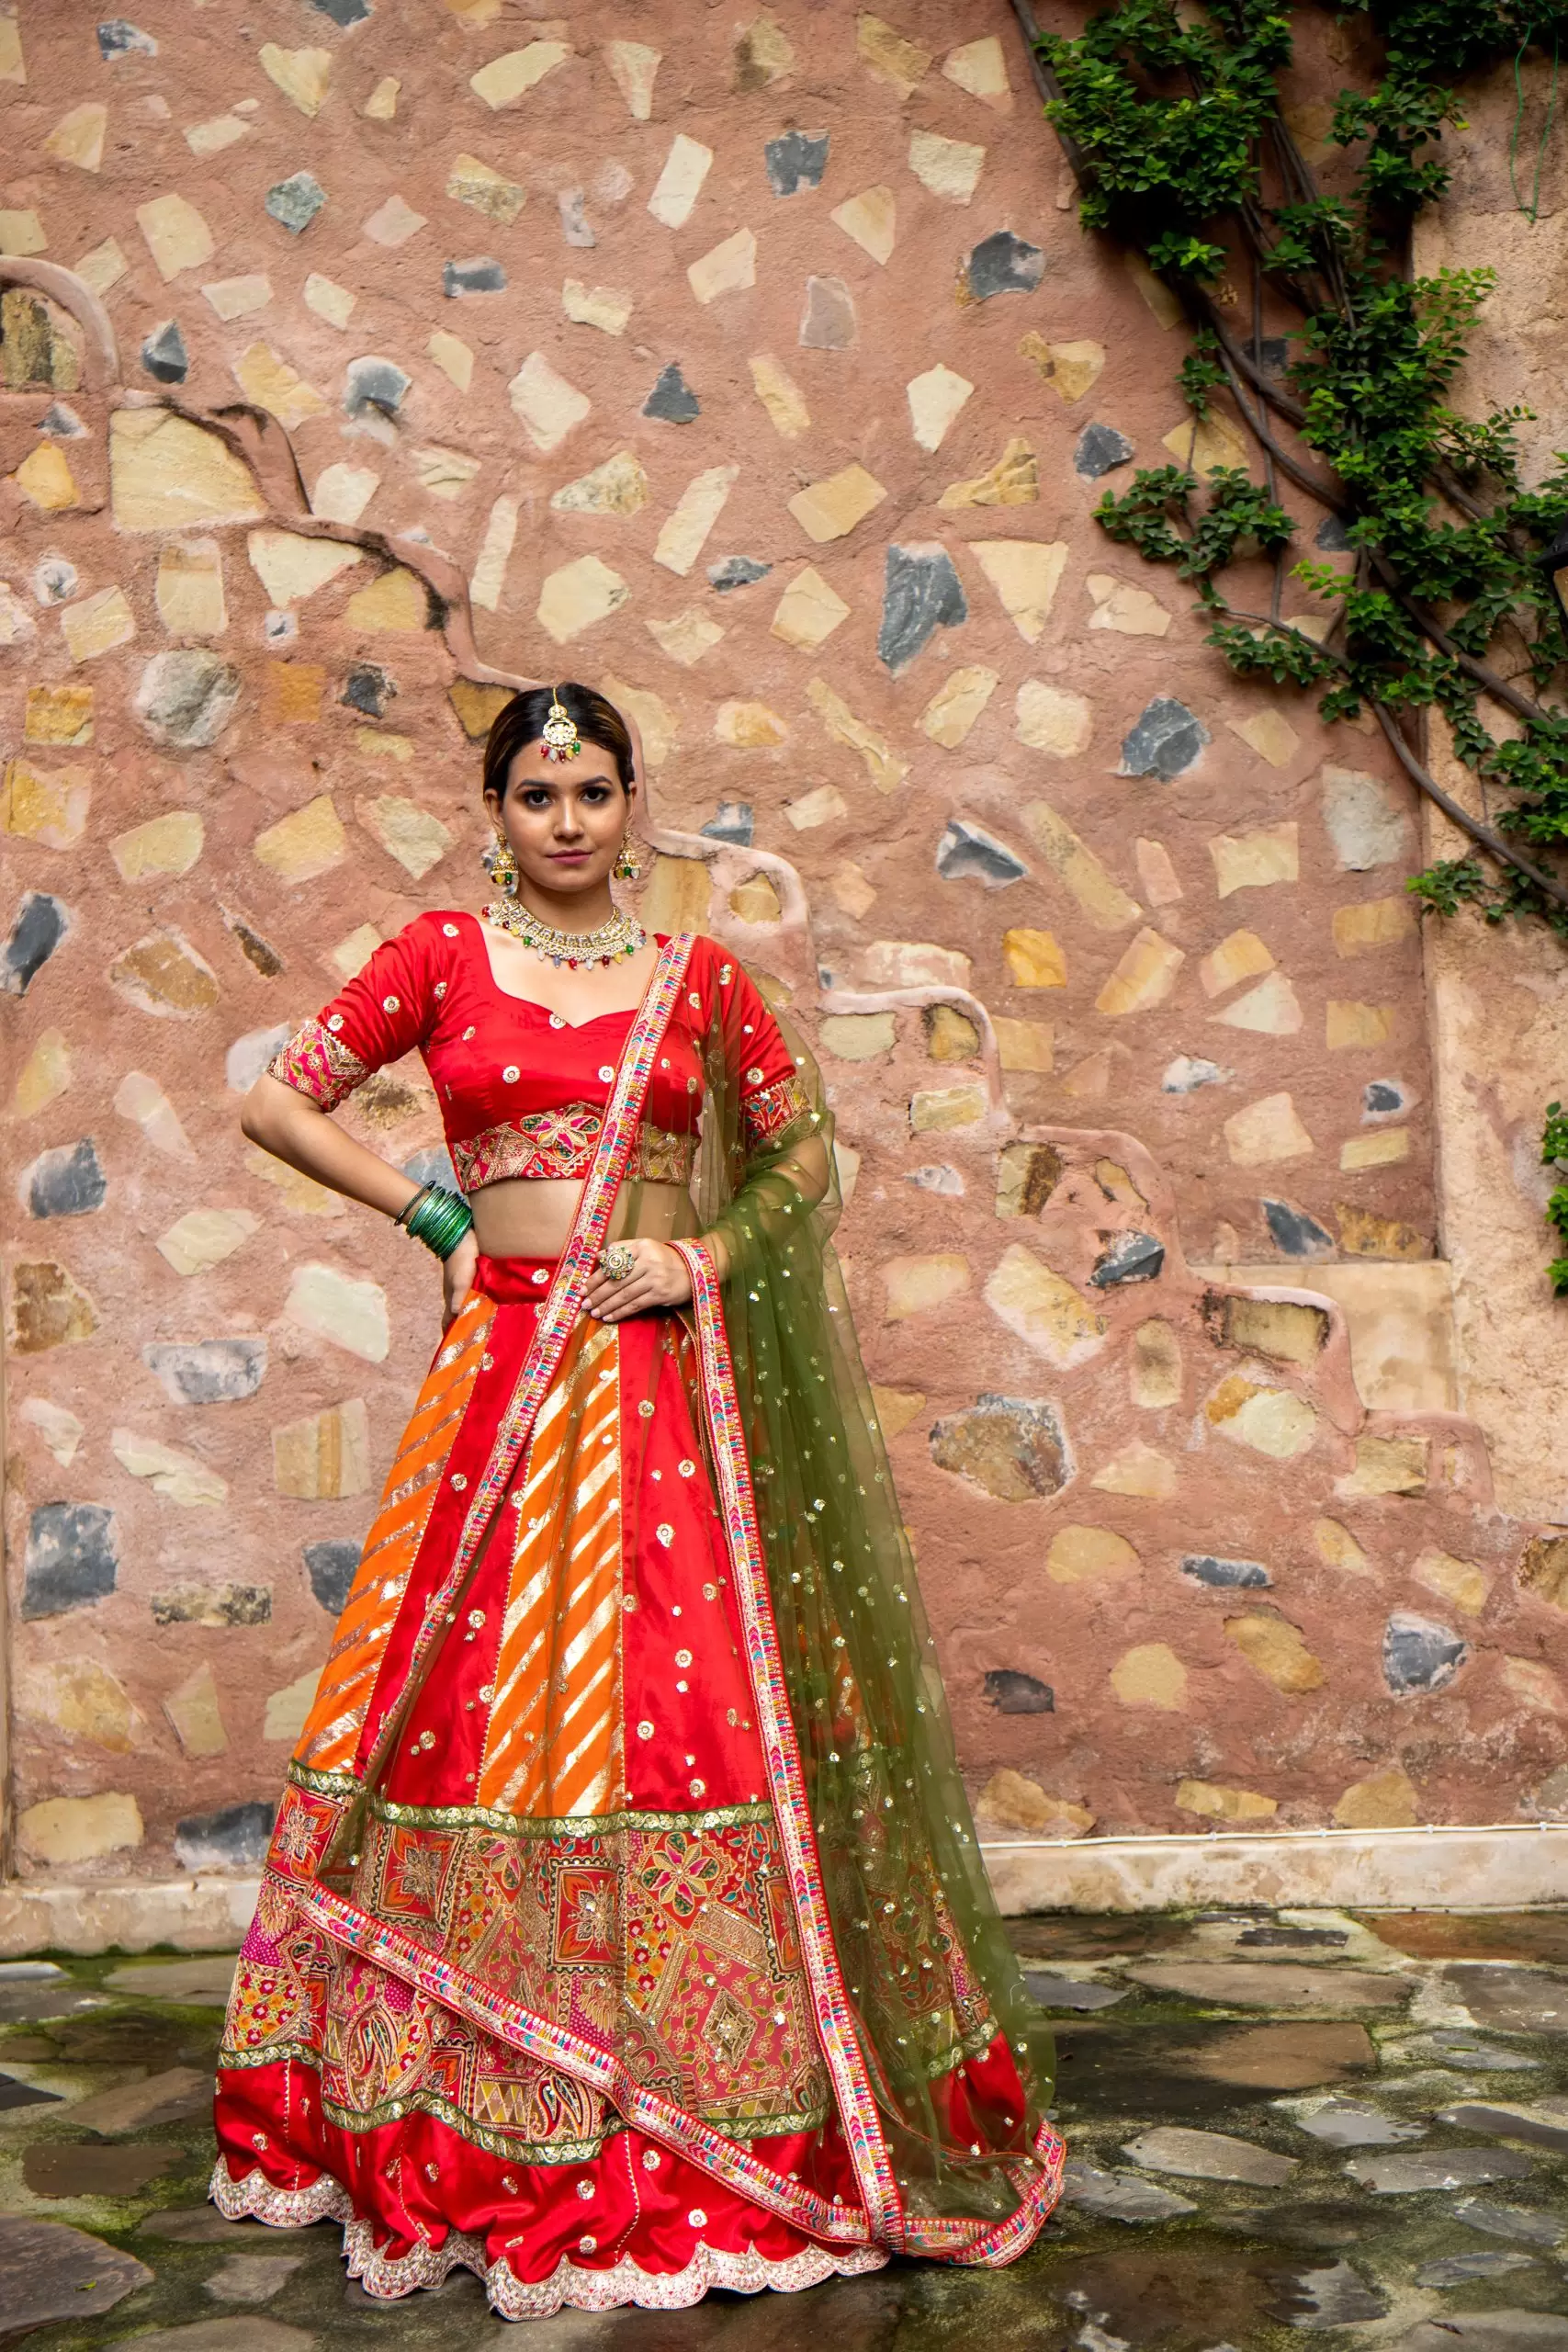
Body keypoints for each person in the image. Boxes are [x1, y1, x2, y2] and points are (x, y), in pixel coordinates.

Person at [211, 683, 1063, 2319]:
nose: (569, 822)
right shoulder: (438, 960)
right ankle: (475, 2093)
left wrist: (697, 1255)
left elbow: (803, 1157)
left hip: (668, 1403)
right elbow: (277, 1101)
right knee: (462, 1715)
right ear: (497, 811)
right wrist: (441, 1223)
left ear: (631, 803)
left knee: (684, 1712)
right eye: (537, 794)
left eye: (594, 790)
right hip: (503, 1398)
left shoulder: (698, 980)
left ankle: (693, 2092)